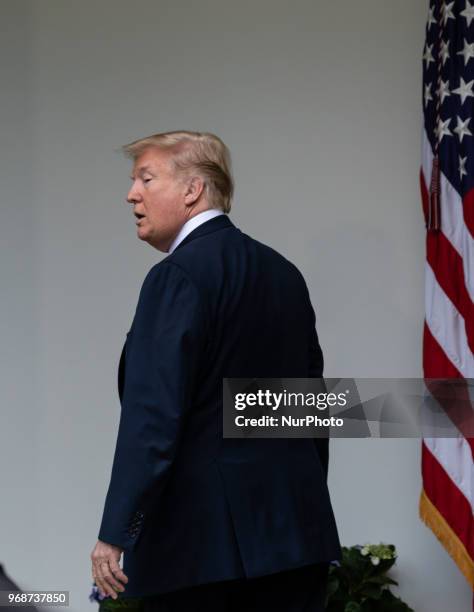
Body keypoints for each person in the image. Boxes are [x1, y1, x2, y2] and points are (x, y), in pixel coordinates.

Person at [90, 131, 341, 611]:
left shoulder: (177, 276)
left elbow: (153, 418)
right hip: (294, 545)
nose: (132, 194)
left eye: (146, 178)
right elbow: (307, 408)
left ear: (192, 190)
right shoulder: (283, 273)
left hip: (203, 557)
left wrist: (116, 531)